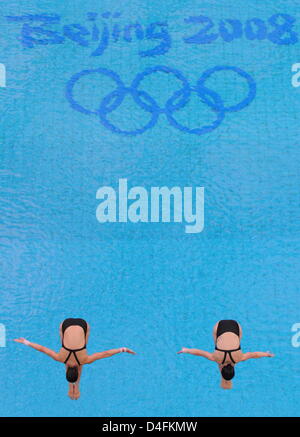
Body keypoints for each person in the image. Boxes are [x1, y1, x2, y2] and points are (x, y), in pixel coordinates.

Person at [14, 318, 136, 399]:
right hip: (65, 324)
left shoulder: (84, 360)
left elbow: (105, 353)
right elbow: (43, 349)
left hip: (83, 326)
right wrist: (26, 342)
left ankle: (74, 386)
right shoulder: (60, 358)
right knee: (69, 353)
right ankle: (74, 387)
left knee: (81, 356)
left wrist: (123, 349)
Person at [178, 320, 274, 389]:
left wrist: (267, 354)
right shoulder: (216, 358)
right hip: (220, 327)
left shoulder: (239, 358)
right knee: (217, 346)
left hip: (235, 325)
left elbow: (254, 354)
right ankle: (223, 364)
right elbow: (200, 353)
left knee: (236, 342)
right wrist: (186, 350)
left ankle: (226, 358)